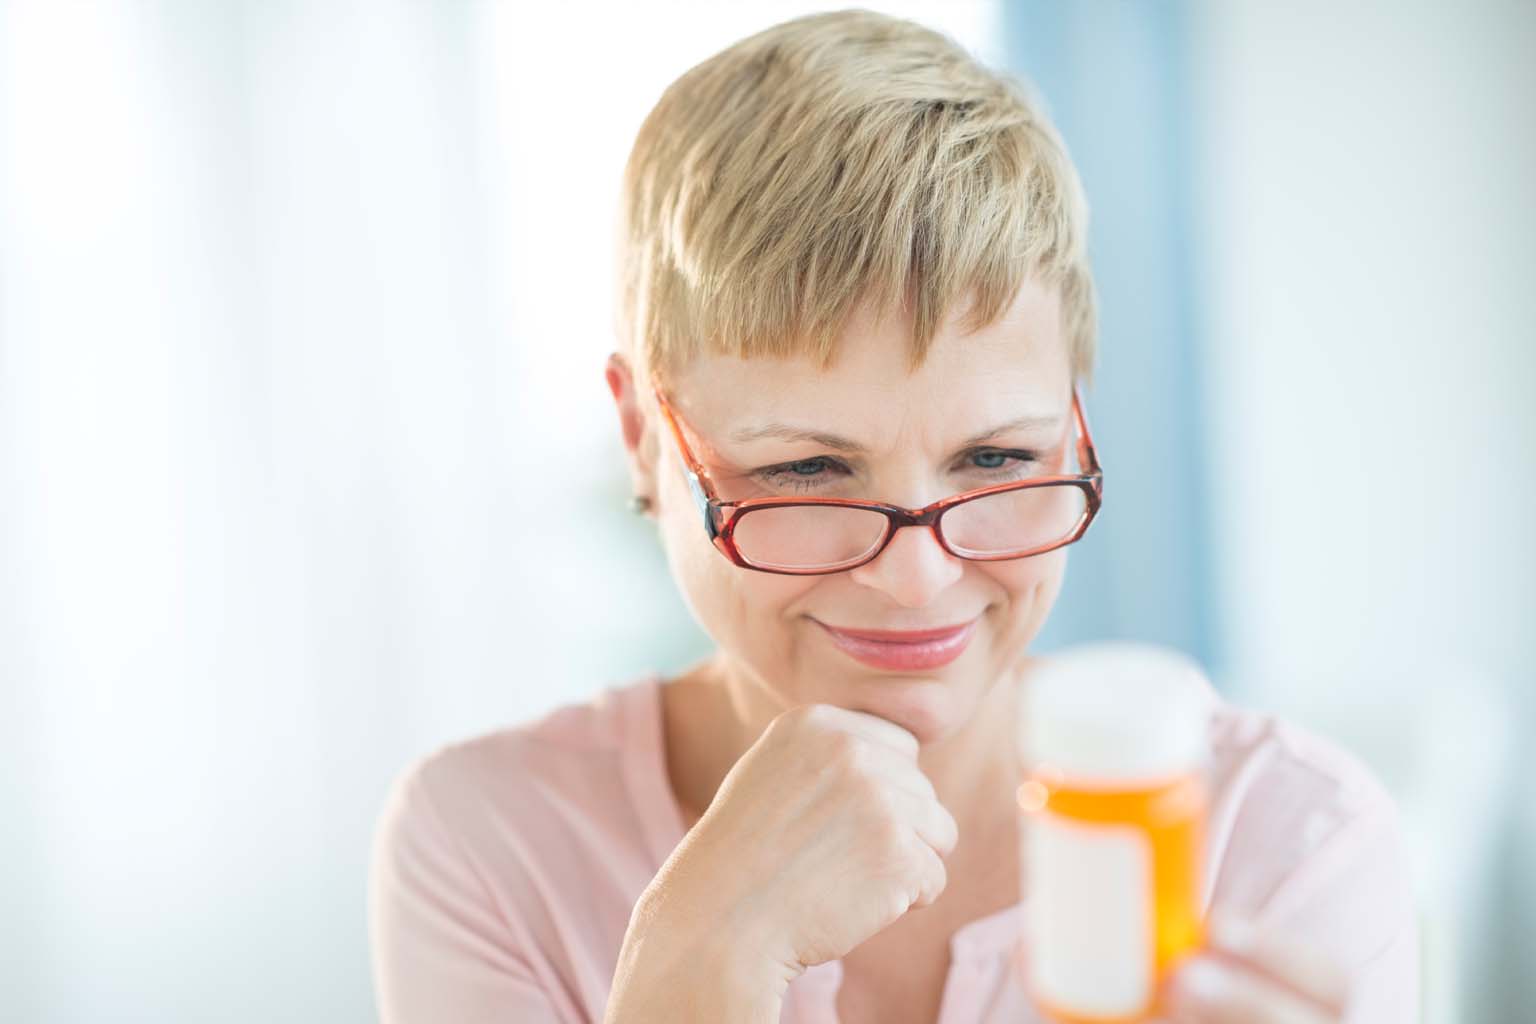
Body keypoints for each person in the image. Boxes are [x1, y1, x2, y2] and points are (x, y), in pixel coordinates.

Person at [367, 10, 1418, 1023]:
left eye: (997, 457)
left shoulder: (1286, 843)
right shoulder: (488, 845)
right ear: (642, 435)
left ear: (1074, 422)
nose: (918, 582)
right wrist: (700, 950)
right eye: (809, 469)